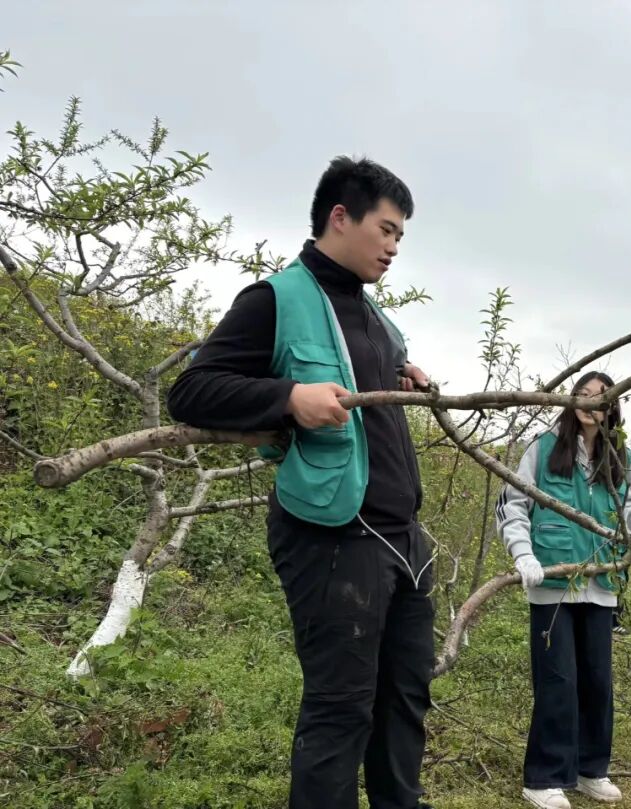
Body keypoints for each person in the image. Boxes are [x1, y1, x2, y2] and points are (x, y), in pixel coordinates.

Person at [167, 157, 435, 809]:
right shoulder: (274, 299)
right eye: (386, 230)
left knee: (403, 701)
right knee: (341, 709)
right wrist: (288, 397)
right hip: (333, 535)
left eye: (401, 236)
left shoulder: (377, 318)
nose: (394, 247)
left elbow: (367, 387)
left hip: (404, 537)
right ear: (340, 217)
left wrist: (405, 375)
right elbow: (192, 391)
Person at [495, 371, 631, 809]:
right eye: (582, 395)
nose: (590, 403)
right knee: (558, 680)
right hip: (552, 579)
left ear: (612, 406)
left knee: (597, 681)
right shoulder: (543, 447)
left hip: (601, 581)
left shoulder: (618, 453)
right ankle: (544, 777)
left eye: (600, 397)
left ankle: (590, 770)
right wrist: (523, 555)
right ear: (571, 402)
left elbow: (626, 509)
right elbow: (512, 504)